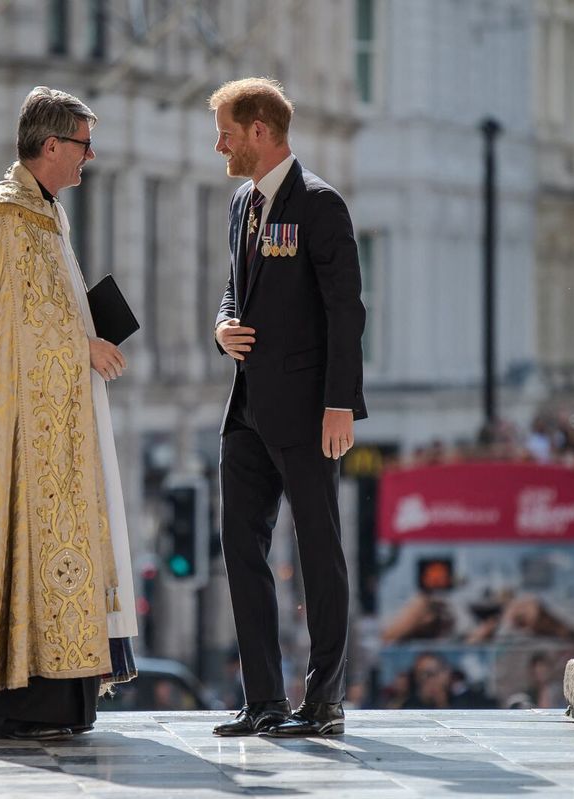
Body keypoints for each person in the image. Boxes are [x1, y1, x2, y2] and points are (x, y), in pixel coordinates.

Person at [0, 86, 136, 741]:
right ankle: (22, 699)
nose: (88, 158)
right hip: (21, 434)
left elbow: (46, 309)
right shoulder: (7, 219)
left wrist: (87, 327)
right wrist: (82, 343)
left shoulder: (44, 212)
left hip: (59, 419)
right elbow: (13, 331)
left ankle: (58, 699)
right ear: (50, 146)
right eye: (83, 145)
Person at [208, 78, 367, 738]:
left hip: (306, 409)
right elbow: (232, 290)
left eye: (225, 131)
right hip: (247, 406)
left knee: (318, 549)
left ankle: (323, 698)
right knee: (240, 547)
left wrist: (340, 404)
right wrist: (222, 326)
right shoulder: (243, 202)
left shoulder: (322, 205)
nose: (218, 144)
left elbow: (345, 311)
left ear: (259, 132)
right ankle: (263, 700)